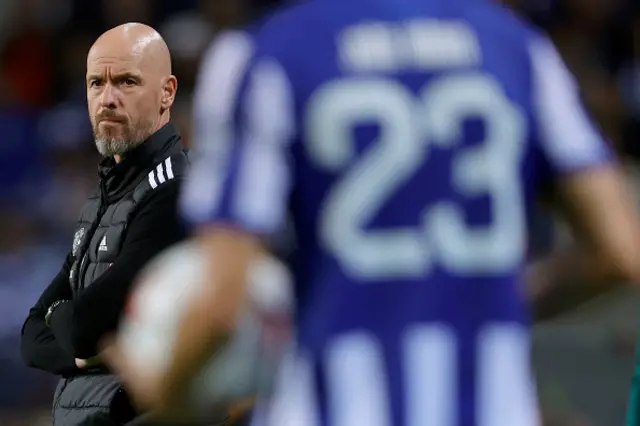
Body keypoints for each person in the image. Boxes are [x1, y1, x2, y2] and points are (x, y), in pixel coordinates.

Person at [105, 1, 640, 425]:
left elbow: (223, 301)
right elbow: (621, 251)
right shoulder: (516, 46)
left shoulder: (267, 55)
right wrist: (487, 298)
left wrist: (168, 389)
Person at [20, 23, 193, 426]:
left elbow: (82, 325)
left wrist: (69, 324)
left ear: (167, 91)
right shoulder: (106, 194)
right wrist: (87, 347)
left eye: (126, 82)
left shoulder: (177, 188)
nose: (107, 99)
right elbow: (31, 337)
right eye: (96, 83)